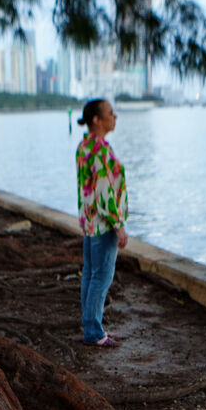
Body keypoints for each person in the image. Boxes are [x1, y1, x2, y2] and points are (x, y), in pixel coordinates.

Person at [74, 98, 128, 346]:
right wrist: (118, 225)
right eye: (110, 113)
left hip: (90, 221)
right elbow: (104, 192)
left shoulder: (84, 146)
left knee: (90, 275)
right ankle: (94, 332)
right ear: (97, 120)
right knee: (101, 277)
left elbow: (85, 189)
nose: (114, 117)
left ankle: (91, 327)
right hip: (104, 223)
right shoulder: (101, 149)